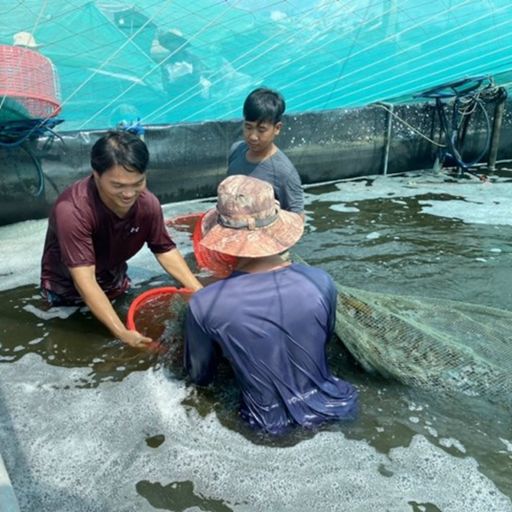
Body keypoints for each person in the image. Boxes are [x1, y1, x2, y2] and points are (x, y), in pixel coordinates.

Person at [184, 175, 358, 435]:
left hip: (266, 427)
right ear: (277, 226)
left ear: (223, 239)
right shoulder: (321, 282)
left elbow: (200, 378)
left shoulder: (204, 305)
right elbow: (321, 342)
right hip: (340, 406)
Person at [40, 131, 202, 348]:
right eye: (117, 186)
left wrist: (198, 291)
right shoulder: (73, 211)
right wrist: (122, 333)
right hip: (66, 292)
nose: (129, 194)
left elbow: (163, 249)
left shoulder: (147, 204)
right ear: (96, 175)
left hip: (113, 280)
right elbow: (84, 280)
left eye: (138, 183)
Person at [227, 87, 304, 214]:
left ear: (277, 128)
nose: (252, 136)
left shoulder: (285, 173)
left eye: (261, 130)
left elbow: (297, 218)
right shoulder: (236, 151)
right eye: (248, 127)